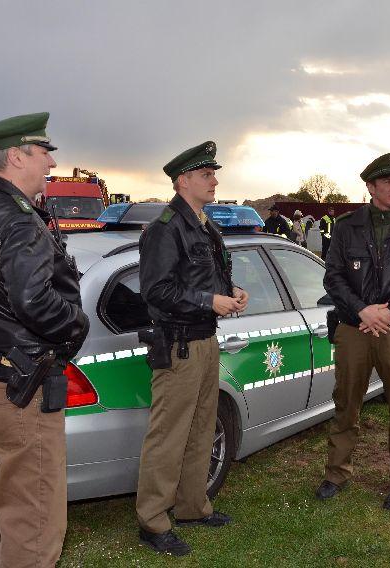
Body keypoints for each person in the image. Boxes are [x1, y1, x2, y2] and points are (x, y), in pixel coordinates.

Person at [0, 112, 90, 567]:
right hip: (20, 392)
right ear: (15, 155)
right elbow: (35, 303)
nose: (50, 162)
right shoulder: (18, 219)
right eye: (43, 152)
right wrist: (76, 326)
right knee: (34, 525)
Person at [136, 141, 249, 556]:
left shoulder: (206, 226)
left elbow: (210, 280)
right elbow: (156, 290)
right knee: (168, 436)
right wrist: (208, 301)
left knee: (202, 428)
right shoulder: (166, 228)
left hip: (206, 341)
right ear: (184, 181)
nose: (215, 180)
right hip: (179, 345)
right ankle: (152, 520)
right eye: (207, 175)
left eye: (213, 174)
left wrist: (231, 293)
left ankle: (192, 506)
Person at [315, 152, 390, 510]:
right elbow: (333, 276)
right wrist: (363, 310)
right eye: (386, 182)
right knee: (346, 403)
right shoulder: (347, 226)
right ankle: (336, 473)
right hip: (354, 327)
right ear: (370, 187)